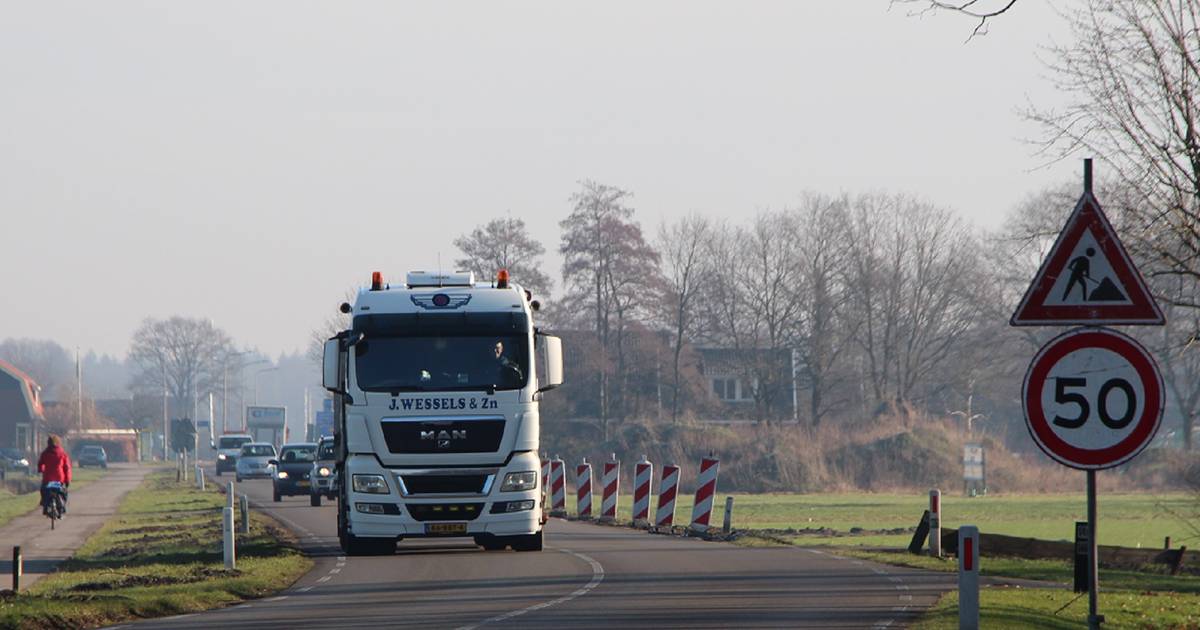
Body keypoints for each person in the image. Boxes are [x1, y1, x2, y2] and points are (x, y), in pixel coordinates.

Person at [37, 435, 72, 515]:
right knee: (64, 492)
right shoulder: (62, 454)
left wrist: (41, 470)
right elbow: (67, 468)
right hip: (60, 478)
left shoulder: (45, 453)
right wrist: (67, 480)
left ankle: (45, 506)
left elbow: (40, 464)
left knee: (43, 491)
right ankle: (62, 507)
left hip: (48, 479)